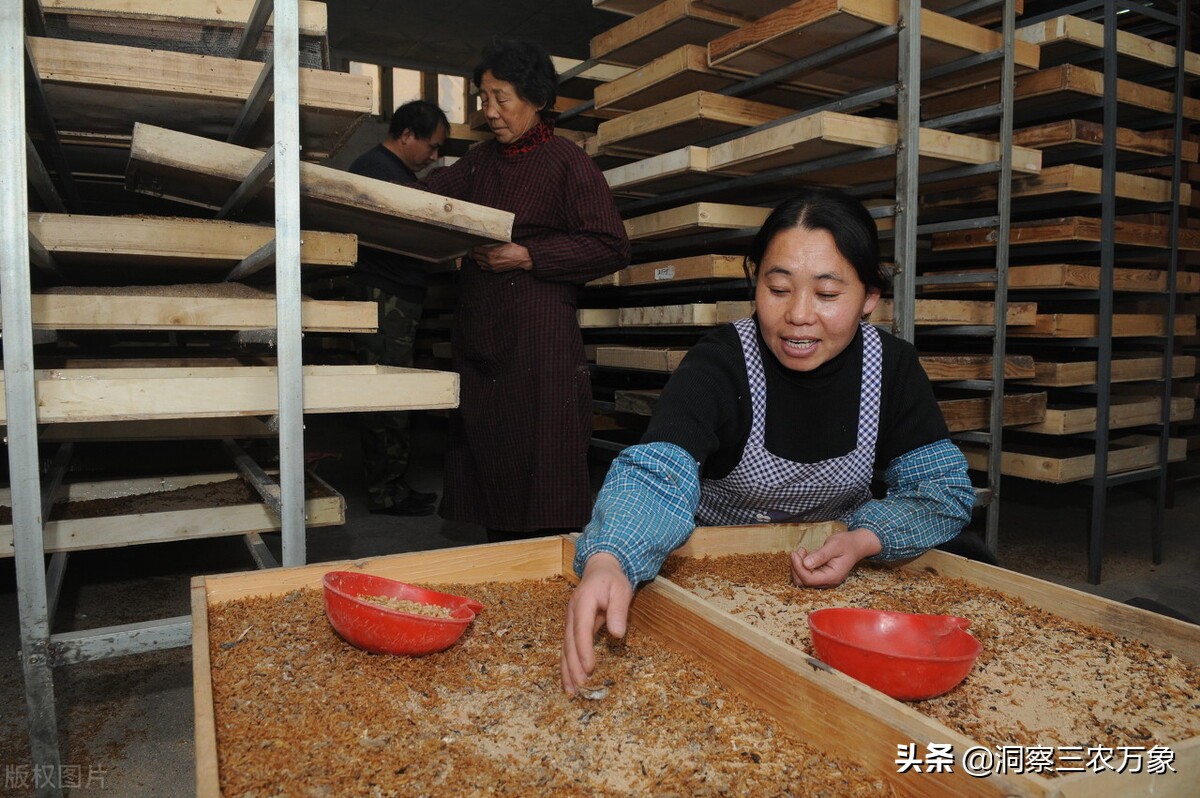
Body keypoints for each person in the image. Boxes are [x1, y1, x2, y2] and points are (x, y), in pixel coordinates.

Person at [561, 188, 975, 694]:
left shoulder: (892, 368)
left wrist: (864, 540)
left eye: (827, 295)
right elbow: (658, 472)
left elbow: (942, 492)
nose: (798, 315)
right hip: (715, 574)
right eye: (778, 289)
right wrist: (612, 557)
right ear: (755, 282)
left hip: (839, 580)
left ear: (870, 297)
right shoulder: (720, 362)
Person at [420, 40, 630, 541]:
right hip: (481, 328)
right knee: (488, 444)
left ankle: (550, 565)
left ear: (535, 99)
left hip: (539, 334)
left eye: (501, 97)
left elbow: (611, 246)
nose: (489, 111)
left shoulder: (567, 162)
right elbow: (427, 201)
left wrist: (528, 255)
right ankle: (501, 556)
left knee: (545, 447)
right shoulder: (479, 161)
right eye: (482, 98)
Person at [346, 100, 449, 516]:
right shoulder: (377, 170)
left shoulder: (395, 173)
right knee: (385, 392)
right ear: (406, 135)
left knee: (394, 389)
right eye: (432, 145)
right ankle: (385, 490)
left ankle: (392, 483)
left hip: (395, 296)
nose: (434, 156)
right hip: (383, 296)